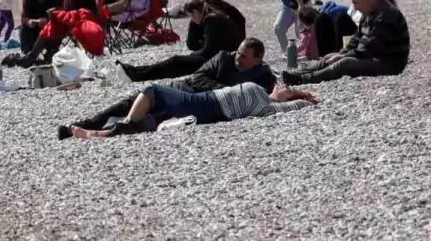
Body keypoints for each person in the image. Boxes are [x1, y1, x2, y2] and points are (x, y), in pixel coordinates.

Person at [58, 38, 277, 140]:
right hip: (183, 90)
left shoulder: (264, 77)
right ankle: (84, 125)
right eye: (237, 52)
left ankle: (100, 133)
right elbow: (198, 77)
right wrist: (224, 91)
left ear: (257, 60)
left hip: (196, 107)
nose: (237, 57)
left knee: (147, 118)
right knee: (129, 104)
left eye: (243, 56)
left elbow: (263, 99)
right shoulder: (222, 58)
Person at [70, 81, 317, 139]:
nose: (282, 86)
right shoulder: (263, 101)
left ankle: (123, 123)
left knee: (153, 90)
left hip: (204, 104)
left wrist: (301, 97)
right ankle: (99, 134)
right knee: (150, 121)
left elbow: (296, 106)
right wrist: (295, 96)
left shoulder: (264, 105)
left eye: (287, 88)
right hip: (205, 106)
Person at [282, 0, 409, 85]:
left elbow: (371, 48)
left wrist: (344, 56)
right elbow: (358, 37)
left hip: (390, 63)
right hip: (376, 56)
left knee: (344, 63)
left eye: (356, 2)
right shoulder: (370, 11)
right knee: (332, 57)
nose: (354, 7)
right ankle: (301, 73)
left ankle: (302, 80)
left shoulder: (385, 14)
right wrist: (341, 52)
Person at [117, 0, 243, 82]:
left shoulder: (211, 21)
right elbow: (192, 44)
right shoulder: (209, 19)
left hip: (218, 62)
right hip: (216, 58)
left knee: (175, 61)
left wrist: (192, 55)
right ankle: (135, 72)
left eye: (190, 16)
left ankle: (136, 74)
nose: (191, 19)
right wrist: (193, 24)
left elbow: (208, 51)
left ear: (195, 12)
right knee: (176, 62)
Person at [17, 0, 103, 64]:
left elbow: (71, 10)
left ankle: (36, 55)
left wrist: (54, 13)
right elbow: (24, 16)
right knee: (39, 27)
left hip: (82, 21)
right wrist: (32, 21)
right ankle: (32, 54)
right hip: (82, 19)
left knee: (52, 25)